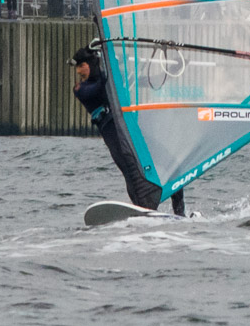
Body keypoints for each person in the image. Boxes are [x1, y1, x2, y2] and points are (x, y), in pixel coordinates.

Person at [73, 45, 183, 215]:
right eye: (78, 67)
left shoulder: (112, 78)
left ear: (91, 64)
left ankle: (180, 212)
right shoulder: (81, 89)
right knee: (132, 173)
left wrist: (174, 68)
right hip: (114, 136)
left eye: (82, 66)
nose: (79, 71)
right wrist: (113, 64)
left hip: (130, 130)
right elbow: (100, 87)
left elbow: (150, 80)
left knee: (171, 163)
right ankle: (146, 210)